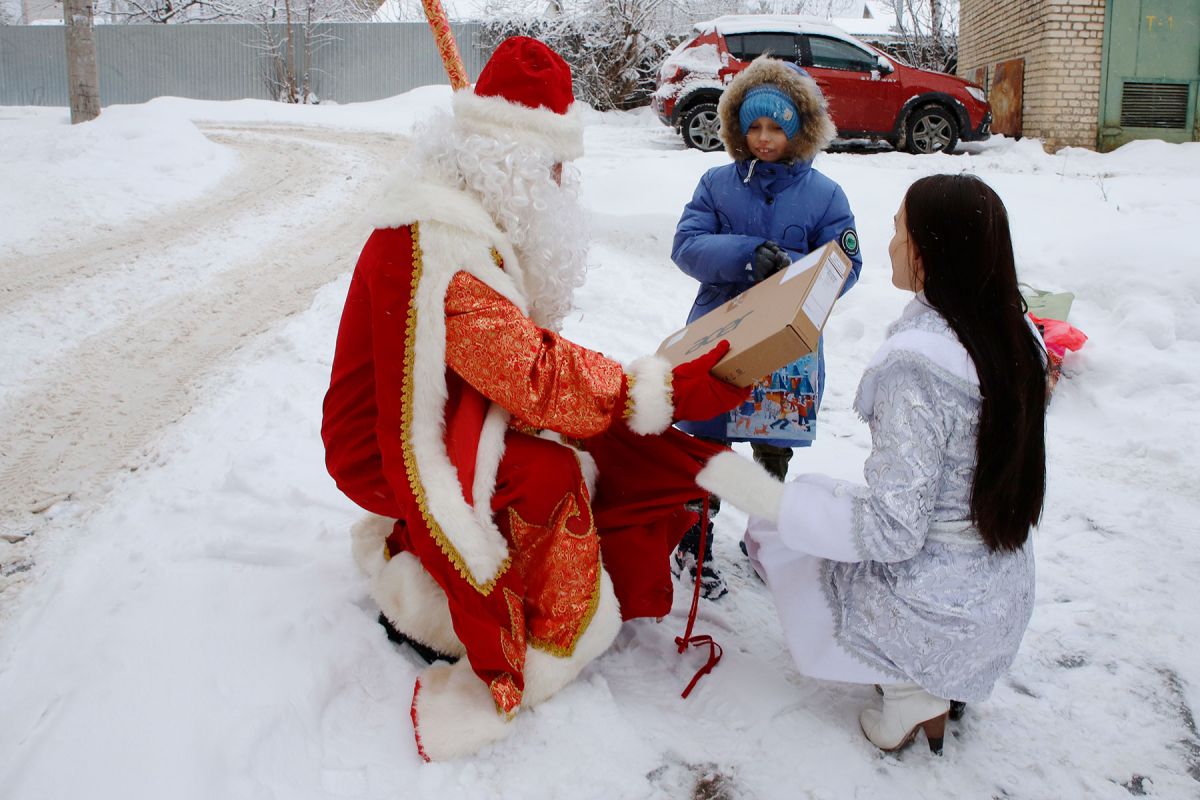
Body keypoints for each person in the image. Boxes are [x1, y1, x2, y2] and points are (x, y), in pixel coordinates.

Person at [320, 37, 748, 761]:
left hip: (446, 408)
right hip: (384, 447)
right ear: (510, 162)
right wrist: (654, 388)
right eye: (551, 168)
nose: (558, 183)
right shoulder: (444, 235)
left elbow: (514, 360)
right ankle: (543, 639)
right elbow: (530, 373)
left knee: (581, 437)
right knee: (549, 472)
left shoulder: (464, 212)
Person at [695, 174, 1048, 755]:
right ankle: (939, 678)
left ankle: (910, 683)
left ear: (929, 248)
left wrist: (770, 501)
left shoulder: (919, 366)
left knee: (783, 530)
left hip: (937, 611)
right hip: (1000, 599)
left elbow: (893, 529)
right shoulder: (1013, 336)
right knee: (818, 499)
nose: (887, 243)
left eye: (897, 229)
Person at [670, 56, 863, 598]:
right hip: (720, 333)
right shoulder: (715, 184)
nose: (763, 138)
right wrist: (747, 256)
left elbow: (846, 265)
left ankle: (764, 542)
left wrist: (796, 275)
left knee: (774, 445)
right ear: (736, 128)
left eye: (776, 127)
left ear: (799, 128)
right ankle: (694, 541)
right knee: (708, 440)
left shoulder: (825, 196)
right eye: (753, 126)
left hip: (786, 344)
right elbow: (687, 247)